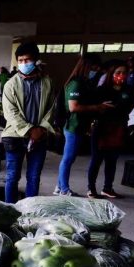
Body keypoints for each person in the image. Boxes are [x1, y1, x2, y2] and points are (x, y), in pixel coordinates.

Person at [0, 42, 56, 204]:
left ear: (36, 60)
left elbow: (52, 108)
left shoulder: (47, 83)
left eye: (28, 60)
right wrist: (30, 130)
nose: (24, 63)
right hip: (14, 136)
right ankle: (9, 209)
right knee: (12, 177)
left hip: (40, 135)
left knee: (33, 176)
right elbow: (10, 113)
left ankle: (30, 210)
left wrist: (42, 129)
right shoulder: (10, 85)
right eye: (21, 60)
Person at [54, 53, 112, 196]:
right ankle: (64, 189)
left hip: (79, 126)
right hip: (73, 126)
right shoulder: (76, 83)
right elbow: (73, 107)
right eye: (94, 68)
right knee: (68, 158)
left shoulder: (84, 82)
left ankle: (59, 186)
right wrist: (97, 107)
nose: (96, 71)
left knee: (70, 157)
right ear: (87, 66)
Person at [87, 61, 134, 199]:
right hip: (101, 129)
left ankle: (108, 188)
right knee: (96, 160)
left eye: (124, 73)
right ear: (111, 74)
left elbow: (129, 106)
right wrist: (100, 107)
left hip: (118, 129)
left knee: (112, 160)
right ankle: (91, 189)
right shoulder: (102, 90)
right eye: (118, 72)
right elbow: (92, 108)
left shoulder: (128, 90)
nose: (121, 75)